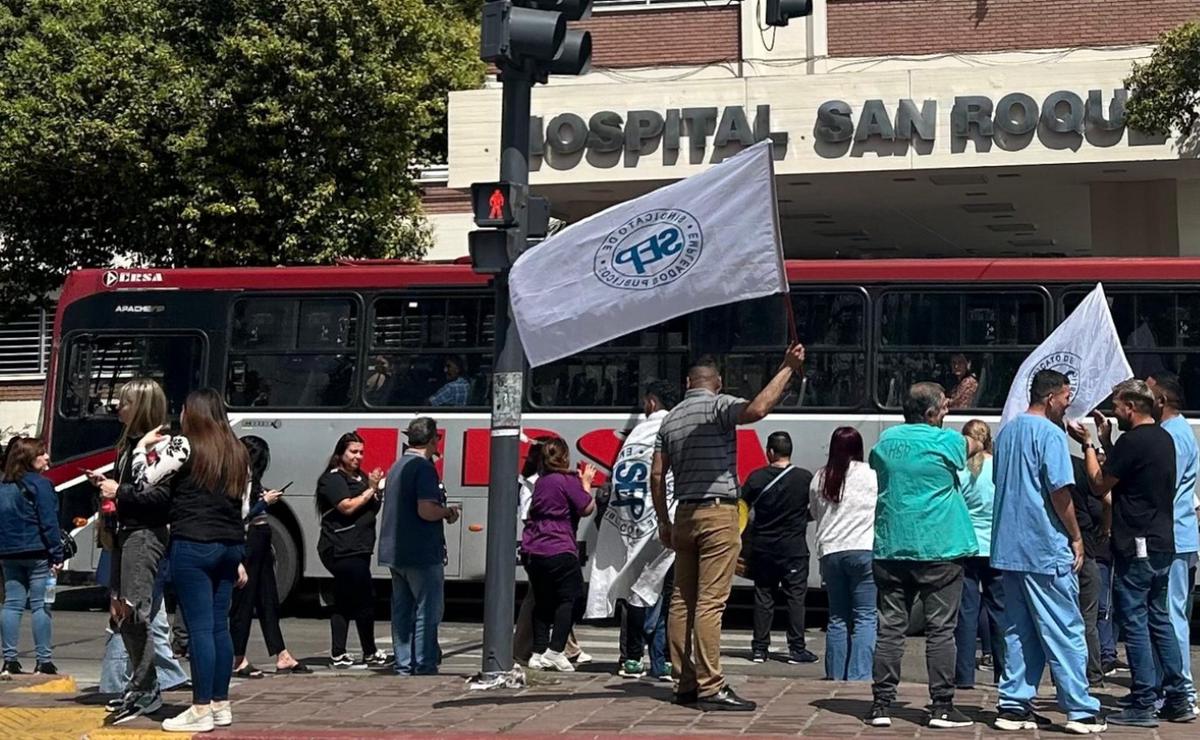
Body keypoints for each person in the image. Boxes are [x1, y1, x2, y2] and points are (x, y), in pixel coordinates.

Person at [652, 345, 806, 712]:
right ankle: (710, 684)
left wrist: (664, 521)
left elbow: (657, 474)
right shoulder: (718, 406)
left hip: (684, 513)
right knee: (710, 602)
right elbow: (756, 409)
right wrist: (787, 368)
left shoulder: (669, 419)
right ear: (717, 383)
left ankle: (683, 680)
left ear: (687, 382)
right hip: (717, 513)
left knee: (680, 600)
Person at [113, 388, 250, 733]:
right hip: (230, 543)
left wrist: (145, 448)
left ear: (194, 413)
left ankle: (200, 707)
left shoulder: (185, 444)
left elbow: (144, 480)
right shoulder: (239, 451)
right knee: (220, 626)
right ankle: (221, 703)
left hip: (194, 541)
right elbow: (244, 506)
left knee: (200, 627)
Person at [1070, 379, 1194, 726]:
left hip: (1136, 544)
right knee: (1160, 618)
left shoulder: (1134, 441)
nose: (1114, 412)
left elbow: (1099, 484)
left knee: (1136, 622)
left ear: (1133, 407)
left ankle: (1143, 700)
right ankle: (1177, 697)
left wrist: (1090, 446)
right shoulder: (1164, 438)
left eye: (1118, 406)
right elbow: (1129, 473)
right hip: (1162, 542)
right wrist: (1109, 441)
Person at [991, 370, 1104, 734]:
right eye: (1068, 397)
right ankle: (1081, 709)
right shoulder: (1050, 435)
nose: (1069, 404)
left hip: (1010, 544)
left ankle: (1013, 704)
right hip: (1044, 544)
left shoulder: (1008, 431)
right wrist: (1075, 536)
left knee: (1019, 629)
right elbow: (1059, 492)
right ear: (1052, 396)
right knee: (1065, 626)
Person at [866, 382, 981, 729]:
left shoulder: (886, 441)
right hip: (940, 547)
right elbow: (976, 443)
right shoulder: (946, 441)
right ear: (932, 414)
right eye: (943, 409)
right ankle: (941, 705)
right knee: (941, 630)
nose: (946, 413)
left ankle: (881, 704)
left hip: (892, 546)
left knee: (890, 629)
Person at [88, 379, 174, 724]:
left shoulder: (158, 444)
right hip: (126, 533)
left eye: (124, 402)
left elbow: (160, 496)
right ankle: (141, 686)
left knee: (136, 611)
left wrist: (117, 489)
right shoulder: (130, 444)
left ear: (140, 406)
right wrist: (108, 482)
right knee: (123, 612)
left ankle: (146, 689)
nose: (117, 408)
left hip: (144, 535)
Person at [584, 381, 678, 681]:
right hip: (662, 525)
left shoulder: (638, 433)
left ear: (651, 402)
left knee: (633, 593)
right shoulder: (675, 428)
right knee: (661, 594)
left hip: (632, 525)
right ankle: (659, 661)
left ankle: (631, 658)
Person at [379, 418, 459, 676]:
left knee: (402, 612)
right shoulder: (423, 468)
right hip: (421, 551)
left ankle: (403, 665)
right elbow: (425, 510)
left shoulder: (397, 465)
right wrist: (447, 512)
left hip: (395, 551)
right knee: (427, 611)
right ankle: (424, 664)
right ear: (432, 440)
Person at [229, 436, 307, 678]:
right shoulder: (240, 478)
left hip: (262, 536)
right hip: (250, 537)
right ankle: (238, 658)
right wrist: (264, 502)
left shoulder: (249, 477)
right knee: (246, 598)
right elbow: (241, 515)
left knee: (268, 598)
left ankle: (281, 653)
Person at [1147, 370, 1199, 710]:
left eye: (1148, 395)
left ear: (1162, 401)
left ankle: (1181, 688)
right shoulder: (1173, 432)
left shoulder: (1173, 436)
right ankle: (1170, 686)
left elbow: (1164, 482)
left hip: (1175, 536)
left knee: (1170, 613)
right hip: (1175, 534)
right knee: (1166, 612)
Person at [521, 437, 596, 672]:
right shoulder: (566, 480)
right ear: (564, 457)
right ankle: (555, 650)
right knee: (571, 598)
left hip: (533, 548)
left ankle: (538, 651)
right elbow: (586, 507)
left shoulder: (541, 480)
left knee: (543, 601)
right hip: (558, 546)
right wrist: (586, 483)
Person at [809, 426, 877, 682]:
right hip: (863, 549)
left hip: (831, 551)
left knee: (837, 616)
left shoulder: (821, 477)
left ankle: (835, 676)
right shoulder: (871, 474)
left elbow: (815, 513)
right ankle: (860, 676)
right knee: (865, 616)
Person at [316, 432, 387, 669]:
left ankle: (348, 652)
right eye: (353, 452)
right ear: (341, 454)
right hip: (340, 548)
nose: (358, 457)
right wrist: (370, 490)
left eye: (361, 452)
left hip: (360, 547)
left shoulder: (361, 477)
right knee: (361, 598)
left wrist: (376, 490)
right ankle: (362, 651)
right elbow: (347, 507)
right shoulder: (333, 479)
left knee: (348, 599)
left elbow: (369, 510)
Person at [743, 431, 816, 665]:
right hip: (793, 548)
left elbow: (741, 509)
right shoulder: (805, 478)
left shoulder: (756, 478)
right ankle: (796, 649)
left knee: (764, 596)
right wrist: (799, 519)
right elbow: (815, 508)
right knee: (796, 598)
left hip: (764, 548)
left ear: (770, 452)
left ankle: (759, 649)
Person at [0, 437, 62, 677]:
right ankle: (44, 661)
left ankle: (10, 660)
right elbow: (49, 522)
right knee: (41, 605)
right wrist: (56, 553)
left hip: (8, 553)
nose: (47, 457)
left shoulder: (4, 486)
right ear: (29, 458)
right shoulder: (40, 485)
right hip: (38, 553)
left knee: (12, 603)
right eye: (42, 453)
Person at [953, 420, 1005, 690]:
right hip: (995, 547)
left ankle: (963, 676)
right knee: (1000, 613)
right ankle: (1003, 674)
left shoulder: (960, 470)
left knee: (966, 614)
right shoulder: (999, 468)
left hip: (967, 546)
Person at [1070, 452, 1111, 688]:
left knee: (1063, 617)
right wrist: (1105, 528)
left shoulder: (1057, 465)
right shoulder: (1085, 471)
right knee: (1089, 618)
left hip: (1058, 547)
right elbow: (1108, 503)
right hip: (1087, 548)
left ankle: (1065, 675)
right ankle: (1093, 675)